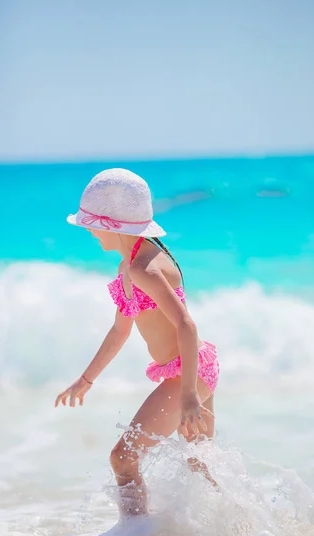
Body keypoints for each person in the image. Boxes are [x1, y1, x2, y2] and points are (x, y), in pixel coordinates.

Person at [55, 168, 219, 517]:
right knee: (199, 470)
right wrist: (86, 380)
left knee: (123, 459)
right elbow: (120, 331)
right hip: (195, 366)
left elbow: (186, 326)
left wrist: (189, 394)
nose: (87, 230)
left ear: (112, 225)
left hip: (188, 375)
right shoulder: (134, 262)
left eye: (91, 223)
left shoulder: (143, 269)